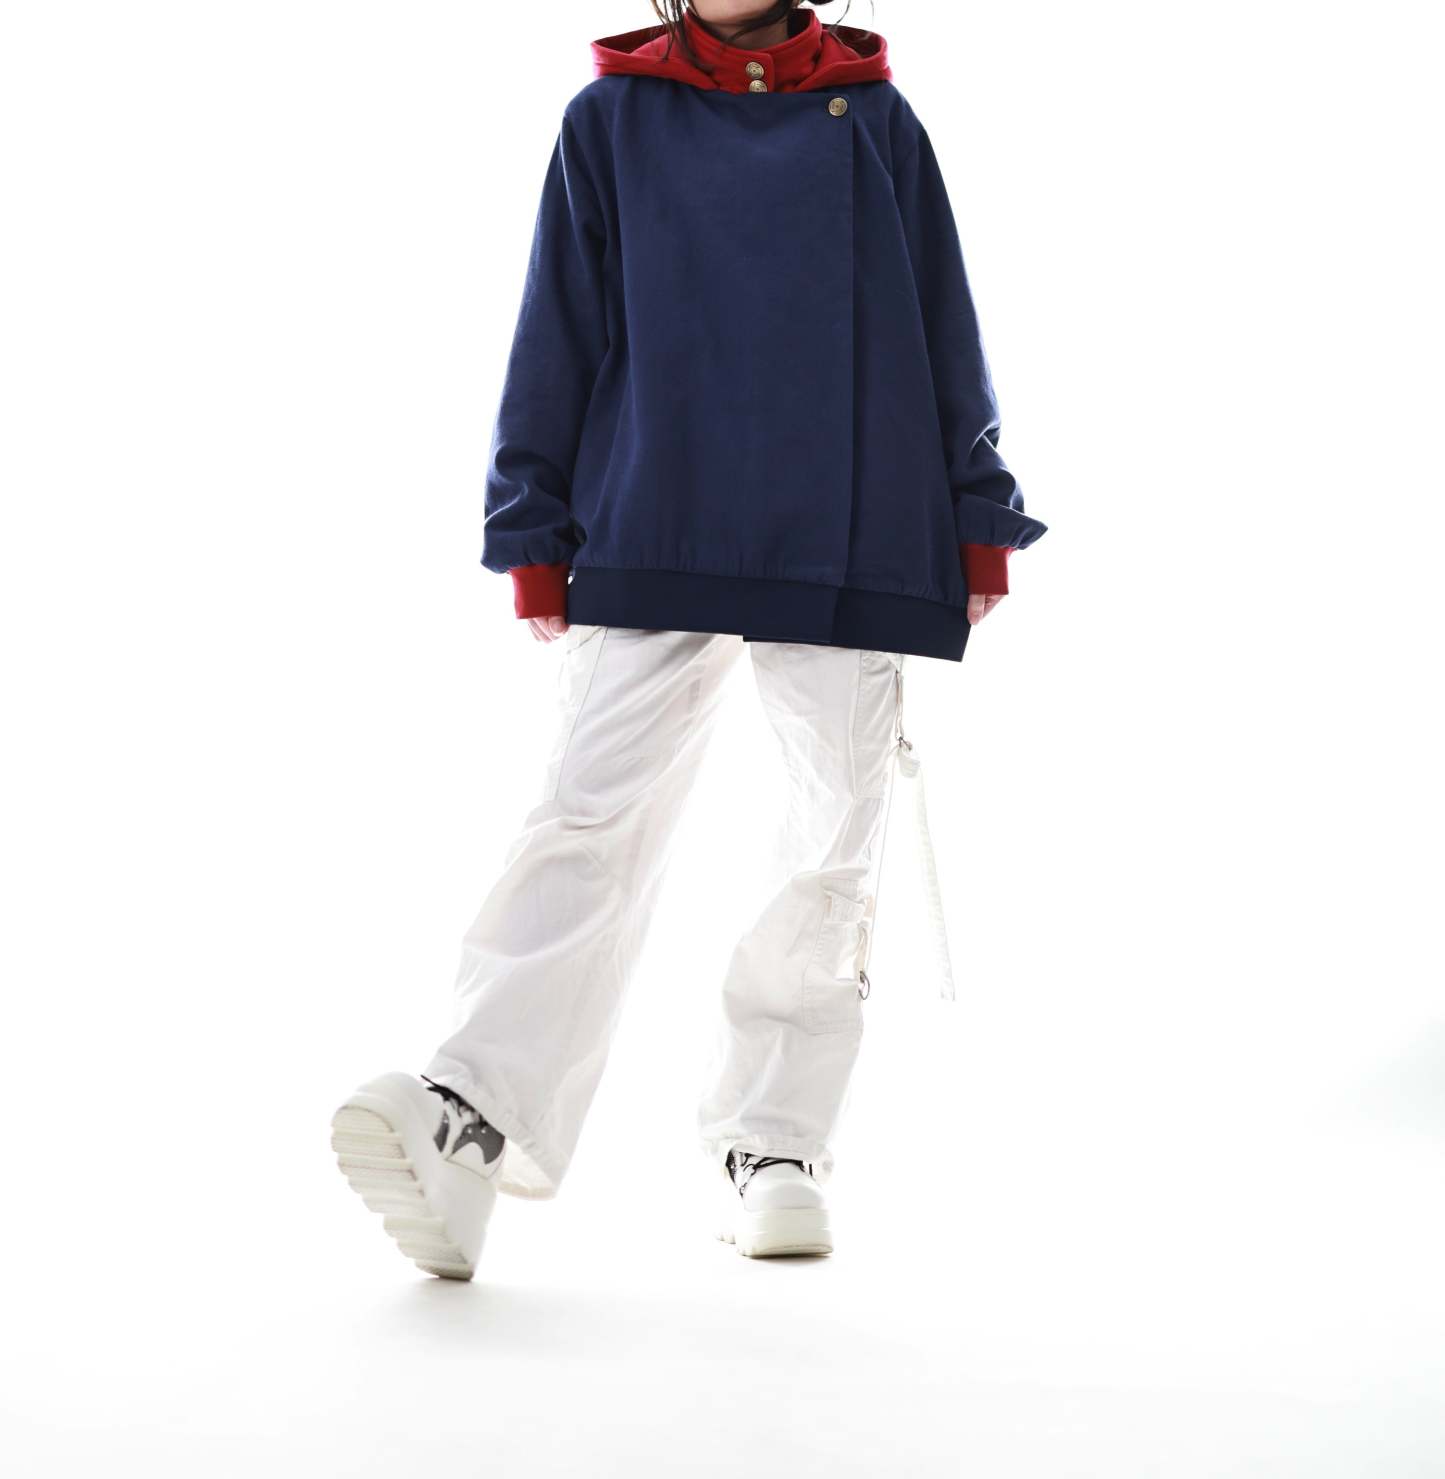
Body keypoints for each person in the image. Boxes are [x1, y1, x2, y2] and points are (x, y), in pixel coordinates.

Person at [331, 0, 1047, 1280]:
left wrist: (975, 517)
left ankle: (773, 1145)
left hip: (849, 524)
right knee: (583, 816)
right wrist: (530, 522)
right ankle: (469, 1123)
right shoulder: (608, 120)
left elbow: (946, 324)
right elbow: (555, 329)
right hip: (649, 507)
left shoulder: (875, 119)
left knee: (829, 840)